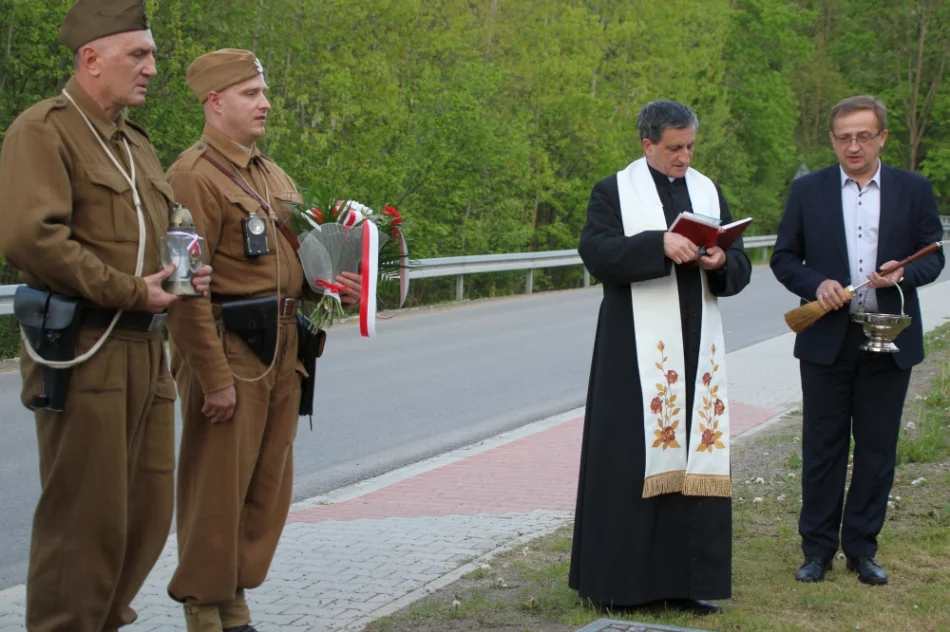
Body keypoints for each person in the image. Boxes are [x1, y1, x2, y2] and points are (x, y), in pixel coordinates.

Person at [0, 1, 212, 630]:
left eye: (151, 53)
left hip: (148, 354)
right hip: (87, 350)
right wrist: (127, 289)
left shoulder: (134, 143)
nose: (152, 67)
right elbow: (32, 237)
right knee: (83, 523)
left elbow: (161, 233)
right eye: (137, 55)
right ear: (92, 59)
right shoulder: (44, 131)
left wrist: (186, 272)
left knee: (143, 517)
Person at [163, 49, 360, 632]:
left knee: (266, 484)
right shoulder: (191, 176)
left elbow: (300, 263)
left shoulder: (273, 175)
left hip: (282, 350)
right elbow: (182, 288)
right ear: (214, 102)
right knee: (216, 485)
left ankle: (234, 599)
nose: (265, 103)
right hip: (227, 348)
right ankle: (204, 606)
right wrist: (212, 376)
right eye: (250, 93)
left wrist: (333, 291)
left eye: (263, 91)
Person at [569, 100, 751, 615]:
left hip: (697, 351)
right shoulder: (613, 191)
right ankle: (619, 585)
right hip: (633, 353)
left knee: (695, 459)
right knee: (628, 461)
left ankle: (687, 582)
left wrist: (720, 260)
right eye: (674, 148)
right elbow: (596, 253)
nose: (684, 157)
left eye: (690, 146)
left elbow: (739, 267)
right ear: (647, 144)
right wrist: (659, 244)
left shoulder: (708, 190)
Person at [771, 95, 945, 586]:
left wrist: (899, 278)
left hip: (889, 341)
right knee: (822, 448)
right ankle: (817, 552)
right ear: (832, 139)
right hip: (827, 339)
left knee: (876, 450)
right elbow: (785, 258)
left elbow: (933, 258)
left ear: (882, 138)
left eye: (863, 135)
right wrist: (815, 284)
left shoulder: (914, 190)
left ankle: (862, 549)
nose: (853, 145)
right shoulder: (808, 191)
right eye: (844, 136)